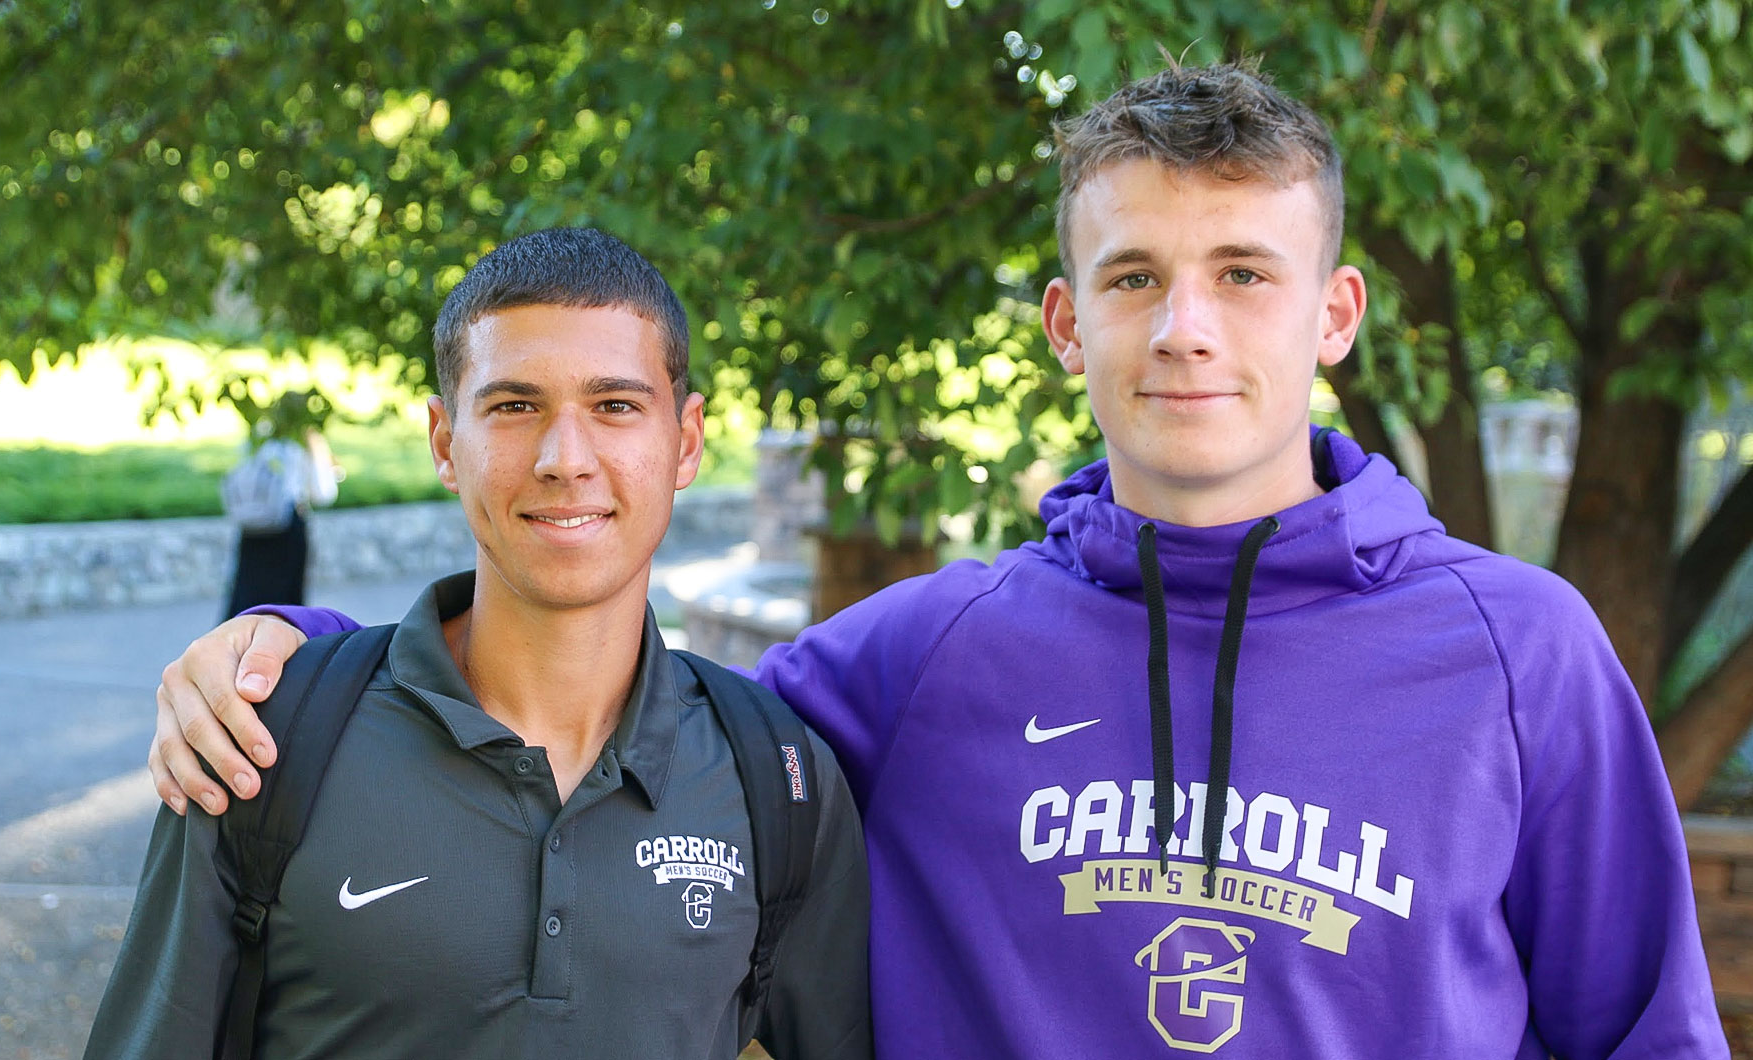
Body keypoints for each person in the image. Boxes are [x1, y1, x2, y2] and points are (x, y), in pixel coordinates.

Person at [145, 64, 1726, 1058]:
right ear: (1066, 321)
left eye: (1245, 273)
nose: (1186, 327)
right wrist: (297, 652)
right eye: (1134, 277)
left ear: (1333, 315)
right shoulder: (926, 656)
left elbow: (1645, 1032)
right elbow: (609, 712)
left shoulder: (1522, 651)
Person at [87, 227, 871, 1059]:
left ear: (684, 441)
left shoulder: (776, 778)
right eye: (513, 406)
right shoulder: (259, 741)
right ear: (443, 441)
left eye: (614, 406)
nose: (565, 459)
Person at [220, 397, 340, 619]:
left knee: (247, 592)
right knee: (283, 605)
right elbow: (323, 492)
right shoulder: (306, 440)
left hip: (252, 525)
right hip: (288, 527)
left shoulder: (260, 433)